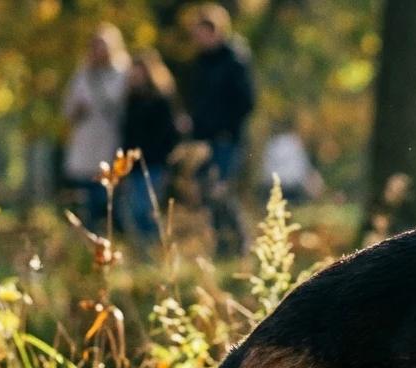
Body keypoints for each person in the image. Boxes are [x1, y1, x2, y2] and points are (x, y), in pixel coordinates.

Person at [186, 3, 256, 257]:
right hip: (203, 140)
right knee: (208, 192)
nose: (200, 38)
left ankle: (239, 242)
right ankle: (223, 244)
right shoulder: (200, 63)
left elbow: (246, 101)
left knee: (221, 190)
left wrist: (227, 128)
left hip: (226, 138)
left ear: (217, 31)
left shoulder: (235, 59)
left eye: (204, 32)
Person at [62, 24, 130, 231]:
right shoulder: (83, 75)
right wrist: (78, 110)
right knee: (87, 203)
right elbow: (67, 110)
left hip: (111, 142)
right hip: (86, 145)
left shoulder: (123, 74)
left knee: (109, 200)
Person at [120, 50, 182, 249]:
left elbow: (169, 135)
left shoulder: (160, 100)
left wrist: (166, 163)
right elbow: (127, 136)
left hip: (155, 164)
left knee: (147, 210)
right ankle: (145, 250)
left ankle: (154, 248)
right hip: (134, 166)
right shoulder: (131, 100)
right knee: (135, 211)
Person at [259, 117, 324, 201]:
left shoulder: (276, 142)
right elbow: (298, 173)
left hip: (272, 185)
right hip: (285, 188)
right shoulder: (293, 145)